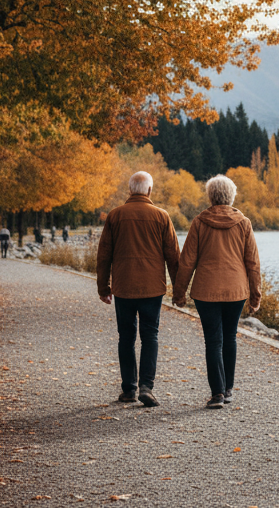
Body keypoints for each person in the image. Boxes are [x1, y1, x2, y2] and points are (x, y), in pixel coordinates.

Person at [173, 174, 261, 409]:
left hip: (206, 291)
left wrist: (179, 293)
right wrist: (255, 296)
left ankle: (217, 394)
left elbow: (187, 261)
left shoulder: (200, 222)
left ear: (211, 196)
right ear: (231, 196)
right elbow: (253, 262)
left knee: (213, 341)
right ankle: (229, 388)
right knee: (230, 337)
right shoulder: (243, 223)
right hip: (236, 290)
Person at [96, 171, 181, 407]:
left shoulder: (115, 216)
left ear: (130, 190)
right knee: (150, 336)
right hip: (153, 287)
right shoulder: (162, 217)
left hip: (123, 287)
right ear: (150, 191)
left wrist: (103, 287)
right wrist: (180, 291)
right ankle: (146, 387)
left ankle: (129, 389)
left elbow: (103, 256)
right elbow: (174, 256)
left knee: (126, 337)